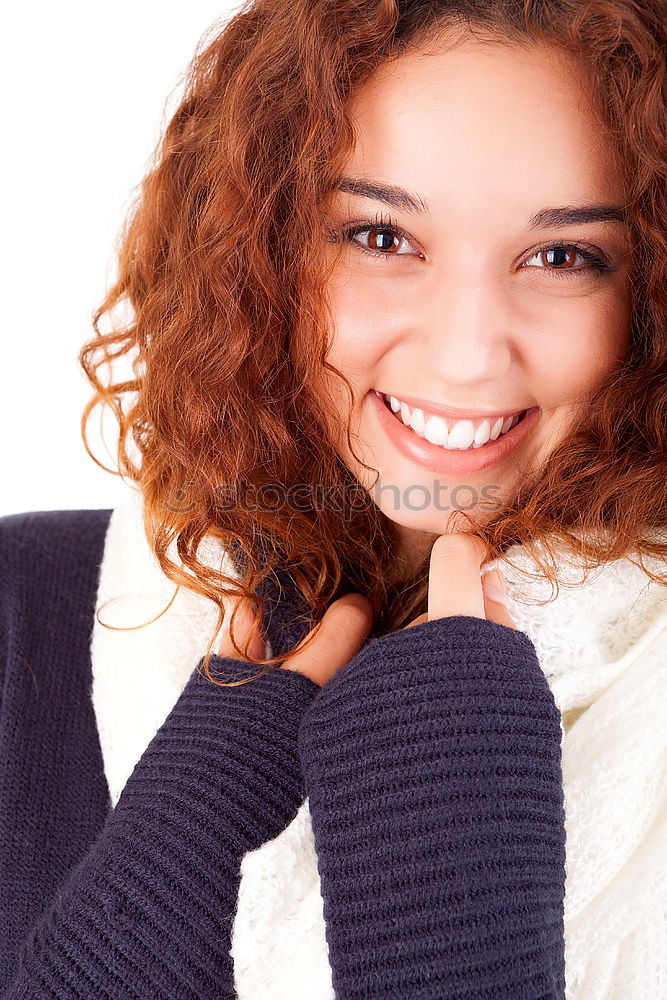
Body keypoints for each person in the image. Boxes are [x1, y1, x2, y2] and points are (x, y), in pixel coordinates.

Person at [1, 0, 666, 997]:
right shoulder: (21, 611)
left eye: (564, 257)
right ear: (260, 254)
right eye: (380, 236)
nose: (465, 351)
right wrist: (167, 856)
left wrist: (454, 922)